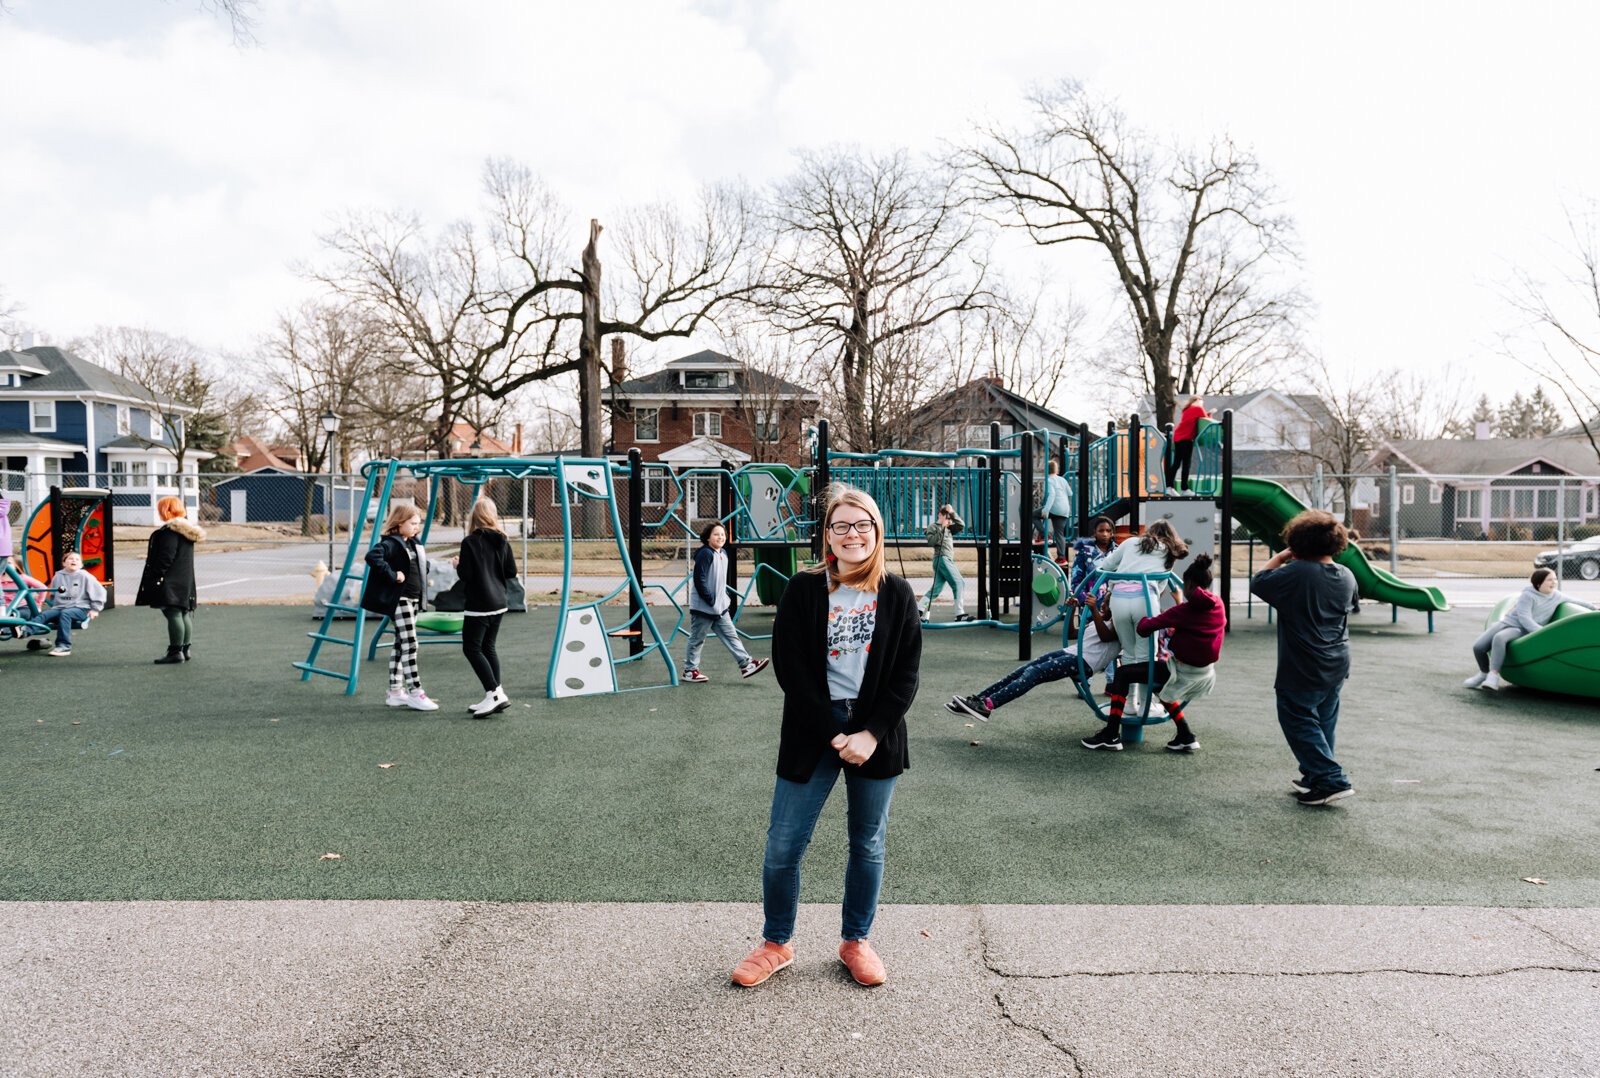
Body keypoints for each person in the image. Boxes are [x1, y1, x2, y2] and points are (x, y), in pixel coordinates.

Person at [731, 485, 921, 990]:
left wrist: (871, 733)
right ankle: (777, 942)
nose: (852, 534)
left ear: (877, 532)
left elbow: (905, 676)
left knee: (868, 843)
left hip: (876, 734)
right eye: (841, 525)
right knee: (783, 843)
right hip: (813, 728)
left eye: (862, 525)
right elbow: (791, 671)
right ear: (827, 535)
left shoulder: (897, 594)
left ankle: (855, 940)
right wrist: (838, 733)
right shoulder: (804, 589)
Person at [1249, 510, 1361, 807]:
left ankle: (1331, 778)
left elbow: (1258, 581)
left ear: (1298, 544)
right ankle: (1316, 776)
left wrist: (1284, 555)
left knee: (1298, 719)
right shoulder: (1346, 575)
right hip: (1336, 661)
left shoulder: (1298, 572)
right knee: (1323, 720)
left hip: (1303, 664)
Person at [946, 587, 1118, 721]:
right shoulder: (1100, 620)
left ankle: (988, 705)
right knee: (1023, 669)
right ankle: (978, 700)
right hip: (1071, 653)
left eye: (1106, 603)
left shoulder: (1117, 625)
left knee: (1035, 673)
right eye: (1103, 603)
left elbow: (1105, 637)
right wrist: (1073, 610)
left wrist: (1094, 610)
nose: (1102, 605)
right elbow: (1073, 634)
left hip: (1084, 662)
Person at [1122, 554, 1226, 753]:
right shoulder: (1218, 604)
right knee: (1160, 686)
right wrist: (1180, 601)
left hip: (1182, 671)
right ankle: (1185, 735)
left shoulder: (1184, 612)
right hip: (1206, 673)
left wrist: (1141, 612)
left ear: (1187, 585)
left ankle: (1110, 734)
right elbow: (1193, 619)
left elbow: (1145, 628)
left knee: (1125, 674)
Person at [360, 502, 439, 711]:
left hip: (413, 598)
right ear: (399, 522)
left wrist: (424, 567)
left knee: (400, 642)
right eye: (412, 523)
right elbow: (372, 557)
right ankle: (415, 691)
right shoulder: (391, 543)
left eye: (418, 524)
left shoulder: (412, 543)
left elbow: (416, 563)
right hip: (401, 599)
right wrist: (393, 575)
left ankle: (395, 691)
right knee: (411, 643)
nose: (416, 527)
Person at [1466, 567, 1596, 691]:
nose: (1554, 582)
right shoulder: (1528, 595)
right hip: (1510, 623)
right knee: (1478, 647)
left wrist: (1594, 608)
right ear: (1539, 583)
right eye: (1549, 580)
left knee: (1499, 638)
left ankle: (1493, 676)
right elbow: (1524, 618)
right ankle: (1483, 673)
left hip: (1522, 630)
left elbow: (1580, 602)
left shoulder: (1557, 596)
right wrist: (1541, 632)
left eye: (1555, 579)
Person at [682, 522, 770, 684]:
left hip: (719, 607)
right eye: (716, 534)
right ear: (708, 538)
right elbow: (699, 578)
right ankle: (690, 670)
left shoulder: (723, 553)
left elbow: (720, 580)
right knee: (697, 638)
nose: (720, 537)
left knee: (731, 636)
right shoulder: (705, 554)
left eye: (722, 534)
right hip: (704, 607)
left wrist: (724, 597)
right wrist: (709, 598)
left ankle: (746, 664)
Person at [455, 498, 520, 718]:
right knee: (488, 647)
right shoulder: (502, 540)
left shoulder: (470, 542)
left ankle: (494, 693)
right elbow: (511, 572)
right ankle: (495, 692)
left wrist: (457, 564)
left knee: (471, 648)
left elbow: (466, 575)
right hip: (499, 602)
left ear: (475, 517)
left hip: (479, 603)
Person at [135, 496, 204, 664]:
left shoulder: (170, 531)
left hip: (170, 579)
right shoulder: (186, 530)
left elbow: (166, 556)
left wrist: (157, 575)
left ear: (165, 510)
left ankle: (175, 652)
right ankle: (184, 649)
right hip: (184, 578)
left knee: (172, 612)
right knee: (183, 612)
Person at [29, 551, 106, 657]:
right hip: (60, 607)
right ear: (64, 563)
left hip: (80, 608)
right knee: (45, 615)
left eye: (77, 559)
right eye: (70, 559)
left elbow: (100, 592)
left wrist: (95, 609)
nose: (74, 560)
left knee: (66, 613)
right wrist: (54, 608)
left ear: (81, 565)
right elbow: (54, 594)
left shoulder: (85, 576)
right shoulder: (58, 576)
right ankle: (24, 631)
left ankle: (64, 646)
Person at [919, 504, 973, 623]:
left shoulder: (949, 528)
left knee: (936, 589)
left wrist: (952, 512)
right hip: (942, 558)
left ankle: (918, 610)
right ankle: (959, 614)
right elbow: (931, 542)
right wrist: (942, 528)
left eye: (950, 518)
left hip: (944, 560)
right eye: (947, 518)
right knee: (959, 582)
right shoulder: (933, 527)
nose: (949, 521)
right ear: (940, 515)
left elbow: (961, 525)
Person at [1066, 515, 1117, 634]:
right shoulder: (1085, 552)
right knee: (1086, 637)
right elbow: (1076, 580)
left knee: (1111, 639)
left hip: (1113, 607)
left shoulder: (1118, 552)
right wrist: (1085, 601)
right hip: (1089, 607)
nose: (1105, 534)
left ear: (1112, 533)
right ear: (1095, 532)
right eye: (1101, 530)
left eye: (1108, 531)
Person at [1164, 395, 1210, 492]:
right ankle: (1184, 488)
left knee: (1176, 463)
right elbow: (1206, 420)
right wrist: (1210, 414)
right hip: (1186, 439)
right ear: (1197, 401)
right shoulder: (1198, 409)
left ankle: (1168, 486)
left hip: (1178, 437)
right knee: (1186, 464)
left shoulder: (1187, 409)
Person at [1038, 461, 1072, 564]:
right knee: (1059, 534)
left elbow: (1051, 495)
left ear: (1046, 470)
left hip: (1054, 508)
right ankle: (1061, 558)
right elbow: (1070, 493)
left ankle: (1044, 535)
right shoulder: (1062, 480)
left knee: (1033, 515)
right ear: (1056, 469)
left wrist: (1046, 510)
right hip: (1065, 509)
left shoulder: (1048, 480)